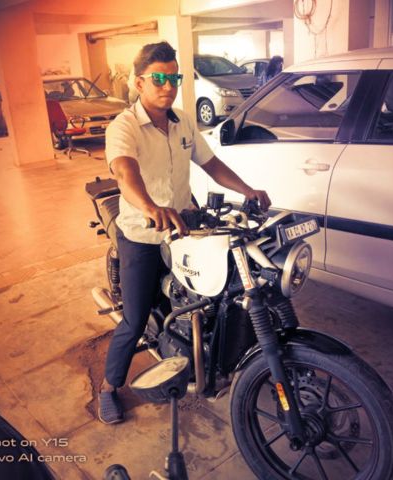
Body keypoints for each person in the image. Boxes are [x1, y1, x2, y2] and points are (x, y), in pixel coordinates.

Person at [98, 41, 271, 424]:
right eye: (158, 78)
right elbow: (125, 172)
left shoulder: (182, 121)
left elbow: (211, 164)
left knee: (212, 293)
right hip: (143, 234)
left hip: (183, 228)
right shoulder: (124, 126)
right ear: (139, 83)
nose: (168, 86)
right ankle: (109, 387)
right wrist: (150, 208)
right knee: (135, 318)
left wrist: (248, 190)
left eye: (174, 78)